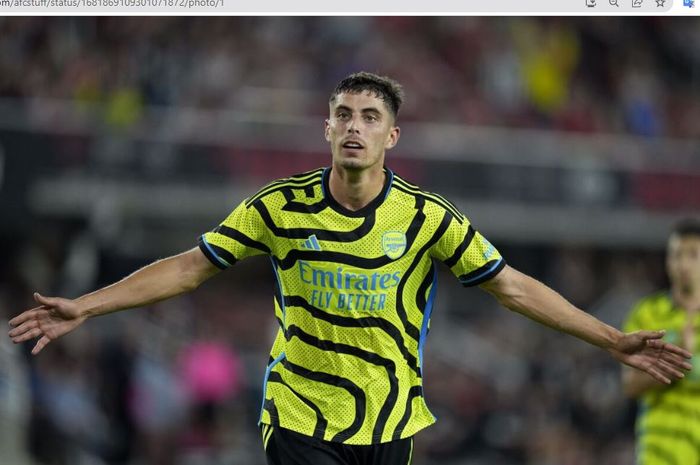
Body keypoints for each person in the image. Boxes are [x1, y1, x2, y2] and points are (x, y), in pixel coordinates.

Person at [8, 72, 692, 465]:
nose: (355, 126)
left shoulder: (427, 217)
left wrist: (611, 338)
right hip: (301, 417)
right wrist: (87, 305)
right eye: (343, 115)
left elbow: (511, 285)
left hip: (392, 427)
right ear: (328, 130)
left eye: (370, 115)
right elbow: (191, 268)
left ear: (392, 135)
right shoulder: (280, 207)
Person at [622, 219, 700, 465]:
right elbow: (630, 385)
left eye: (693, 255)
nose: (683, 264)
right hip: (658, 452)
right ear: (667, 260)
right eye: (676, 255)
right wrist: (677, 362)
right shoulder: (646, 314)